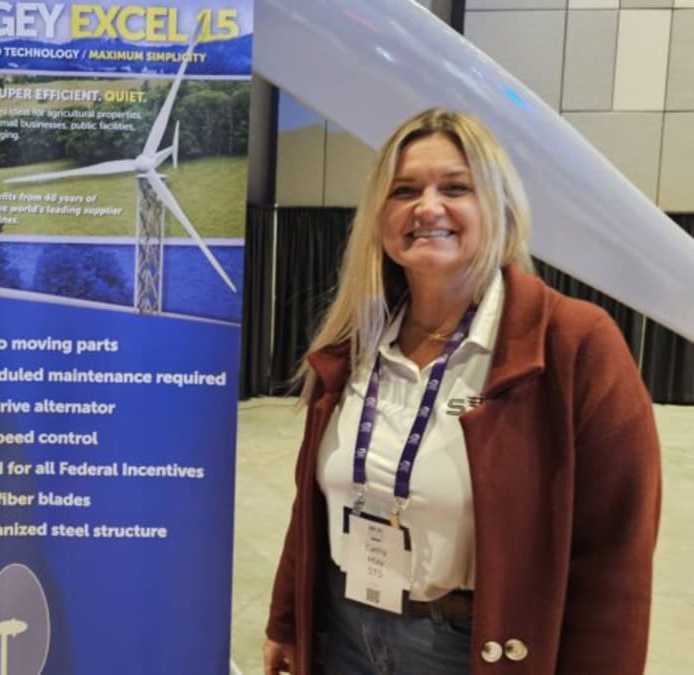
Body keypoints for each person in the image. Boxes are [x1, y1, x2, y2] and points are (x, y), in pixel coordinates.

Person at [263, 108, 661, 674]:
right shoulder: (353, 344)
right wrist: (287, 621)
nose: (427, 208)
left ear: (497, 205)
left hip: (469, 649)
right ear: (379, 215)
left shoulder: (575, 343)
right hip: (344, 633)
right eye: (404, 190)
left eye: (455, 187)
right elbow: (314, 505)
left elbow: (614, 560)